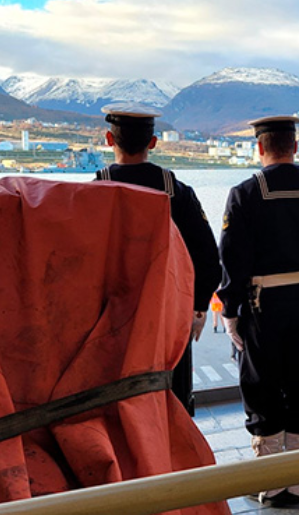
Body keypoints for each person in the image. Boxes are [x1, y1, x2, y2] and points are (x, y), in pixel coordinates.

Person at [218, 115, 299, 506]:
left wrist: (229, 309)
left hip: (262, 306)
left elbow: (231, 259)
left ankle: (272, 481)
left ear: (260, 147)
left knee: (261, 387)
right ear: (295, 146)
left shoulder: (244, 193)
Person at [95, 102, 222, 417]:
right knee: (173, 402)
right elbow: (209, 259)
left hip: (113, 320)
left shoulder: (92, 194)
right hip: (169, 314)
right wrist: (198, 306)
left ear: (109, 140)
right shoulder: (178, 192)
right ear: (152, 143)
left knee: (120, 406)